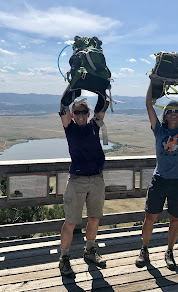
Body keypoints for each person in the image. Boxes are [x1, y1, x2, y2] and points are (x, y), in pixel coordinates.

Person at [135, 71, 178, 270]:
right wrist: (151, 81)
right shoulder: (159, 130)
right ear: (165, 115)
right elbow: (149, 105)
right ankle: (144, 249)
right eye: (169, 110)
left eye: (176, 110)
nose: (173, 113)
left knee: (174, 221)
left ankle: (170, 252)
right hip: (160, 180)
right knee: (150, 217)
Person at [58, 86, 107, 278]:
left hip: (96, 178)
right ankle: (64, 258)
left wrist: (100, 86)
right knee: (70, 222)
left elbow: (103, 104)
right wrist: (72, 85)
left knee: (94, 218)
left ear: (88, 113)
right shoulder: (69, 128)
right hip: (77, 180)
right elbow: (62, 106)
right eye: (76, 112)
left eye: (83, 112)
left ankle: (90, 251)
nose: (80, 115)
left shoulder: (94, 125)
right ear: (72, 114)